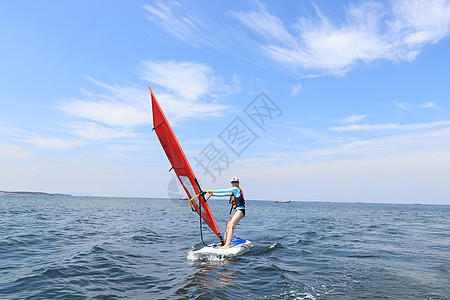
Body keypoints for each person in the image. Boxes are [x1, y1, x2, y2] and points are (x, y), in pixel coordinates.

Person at [206, 177, 245, 249]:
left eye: (235, 182)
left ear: (238, 183)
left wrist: (211, 191)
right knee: (228, 225)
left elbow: (224, 190)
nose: (234, 184)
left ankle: (227, 245)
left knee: (231, 226)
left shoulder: (236, 189)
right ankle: (224, 242)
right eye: (233, 183)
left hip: (240, 211)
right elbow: (224, 194)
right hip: (238, 211)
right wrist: (213, 194)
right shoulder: (234, 191)